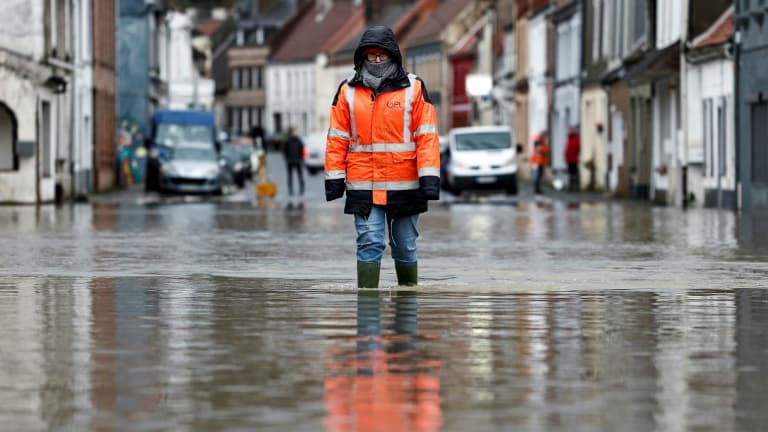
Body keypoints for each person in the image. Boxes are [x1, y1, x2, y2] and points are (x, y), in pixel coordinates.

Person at [324, 26, 441, 288]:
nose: (377, 61)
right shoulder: (347, 91)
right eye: (371, 56)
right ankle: (367, 309)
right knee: (369, 242)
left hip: (405, 185)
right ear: (362, 57)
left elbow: (427, 137)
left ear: (392, 55)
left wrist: (430, 179)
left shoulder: (414, 88)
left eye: (382, 55)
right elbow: (336, 139)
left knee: (405, 246)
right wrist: (334, 180)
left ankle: (407, 304)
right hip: (363, 185)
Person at [283, 126, 305, 204]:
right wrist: (287, 158)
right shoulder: (287, 141)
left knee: (300, 176)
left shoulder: (299, 141)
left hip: (298, 161)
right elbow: (285, 151)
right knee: (290, 176)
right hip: (290, 161)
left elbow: (302, 149)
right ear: (291, 132)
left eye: (296, 131)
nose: (295, 133)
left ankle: (302, 189)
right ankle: (290, 190)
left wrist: (301, 158)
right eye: (294, 131)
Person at [565, 126, 581, 192]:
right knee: (570, 173)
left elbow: (577, 147)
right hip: (569, 159)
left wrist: (576, 155)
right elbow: (567, 148)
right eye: (569, 130)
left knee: (574, 173)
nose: (569, 132)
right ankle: (571, 186)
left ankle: (575, 186)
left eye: (570, 130)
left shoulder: (576, 138)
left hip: (574, 159)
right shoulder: (569, 138)